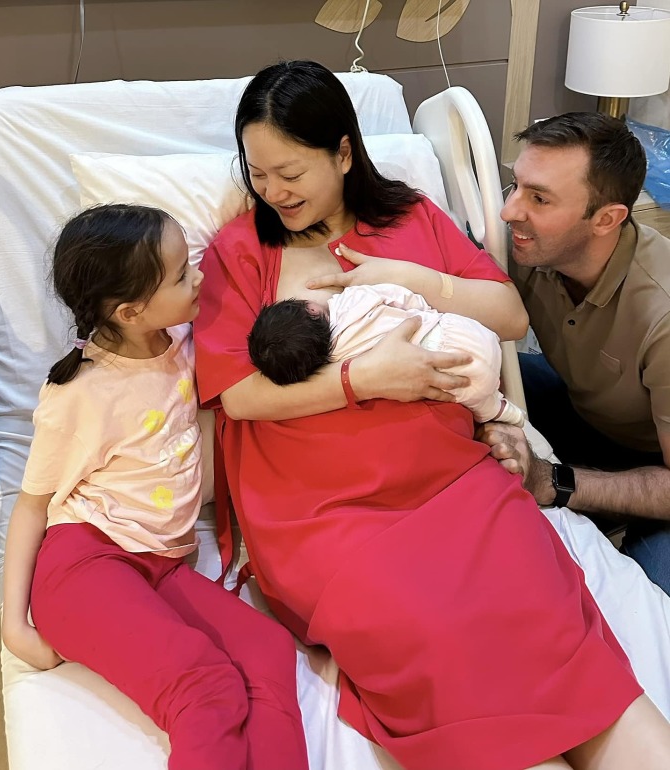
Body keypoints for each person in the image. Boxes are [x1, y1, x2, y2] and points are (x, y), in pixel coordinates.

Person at [194, 60, 670, 770]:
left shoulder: (412, 216)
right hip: (322, 509)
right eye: (257, 172)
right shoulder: (241, 252)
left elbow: (508, 315)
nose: (272, 190)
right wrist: (364, 378)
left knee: (543, 620)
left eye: (289, 170)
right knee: (429, 636)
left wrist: (417, 280)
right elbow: (237, 394)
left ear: (345, 153)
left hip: (451, 480)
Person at [1, 203, 309, 770]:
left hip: (160, 563)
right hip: (85, 565)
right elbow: (31, 505)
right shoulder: (80, 395)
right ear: (130, 309)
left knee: (266, 651)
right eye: (181, 274)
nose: (199, 276)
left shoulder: (186, 342)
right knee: (207, 687)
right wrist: (12, 623)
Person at [478, 112, 670, 594]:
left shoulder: (661, 316)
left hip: (658, 464)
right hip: (591, 409)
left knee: (642, 606)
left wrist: (555, 481)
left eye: (539, 198)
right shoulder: (539, 248)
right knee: (479, 380)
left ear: (607, 219)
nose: (509, 211)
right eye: (515, 186)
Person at [247, 284, 525, 425]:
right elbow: (399, 295)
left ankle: (505, 412)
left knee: (480, 403)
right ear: (311, 308)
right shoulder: (351, 300)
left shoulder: (340, 360)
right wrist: (424, 311)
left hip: (461, 380)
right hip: (467, 334)